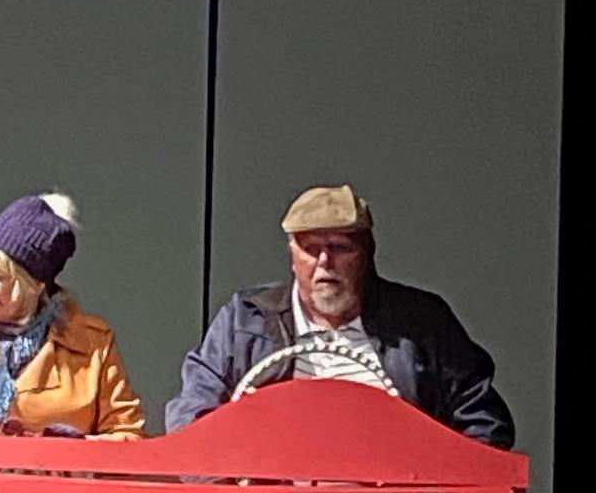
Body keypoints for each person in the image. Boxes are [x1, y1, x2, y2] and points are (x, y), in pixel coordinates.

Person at [165, 183, 514, 448]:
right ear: (292, 254)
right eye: (310, 248)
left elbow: (484, 424)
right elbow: (191, 421)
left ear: (367, 253)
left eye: (340, 248)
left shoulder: (421, 323)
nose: (324, 263)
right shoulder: (245, 320)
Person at [0, 191, 144, 440]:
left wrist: (74, 451)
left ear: (35, 284)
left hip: (56, 480)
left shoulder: (93, 345)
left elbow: (129, 438)